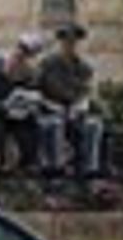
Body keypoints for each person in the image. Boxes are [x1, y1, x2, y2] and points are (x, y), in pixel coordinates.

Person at [36, 23, 104, 178]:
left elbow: (85, 91)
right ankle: (55, 167)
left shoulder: (84, 68)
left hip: (75, 112)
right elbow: (40, 90)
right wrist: (55, 106)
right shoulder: (48, 64)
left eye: (74, 43)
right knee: (54, 124)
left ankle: (89, 168)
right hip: (51, 109)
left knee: (93, 125)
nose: (71, 46)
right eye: (67, 42)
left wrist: (80, 106)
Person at [0, 33, 44, 174]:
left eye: (28, 53)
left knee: (30, 126)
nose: (21, 55)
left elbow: (32, 96)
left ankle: (29, 162)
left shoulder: (30, 73)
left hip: (17, 113)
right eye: (21, 49)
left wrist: (28, 104)